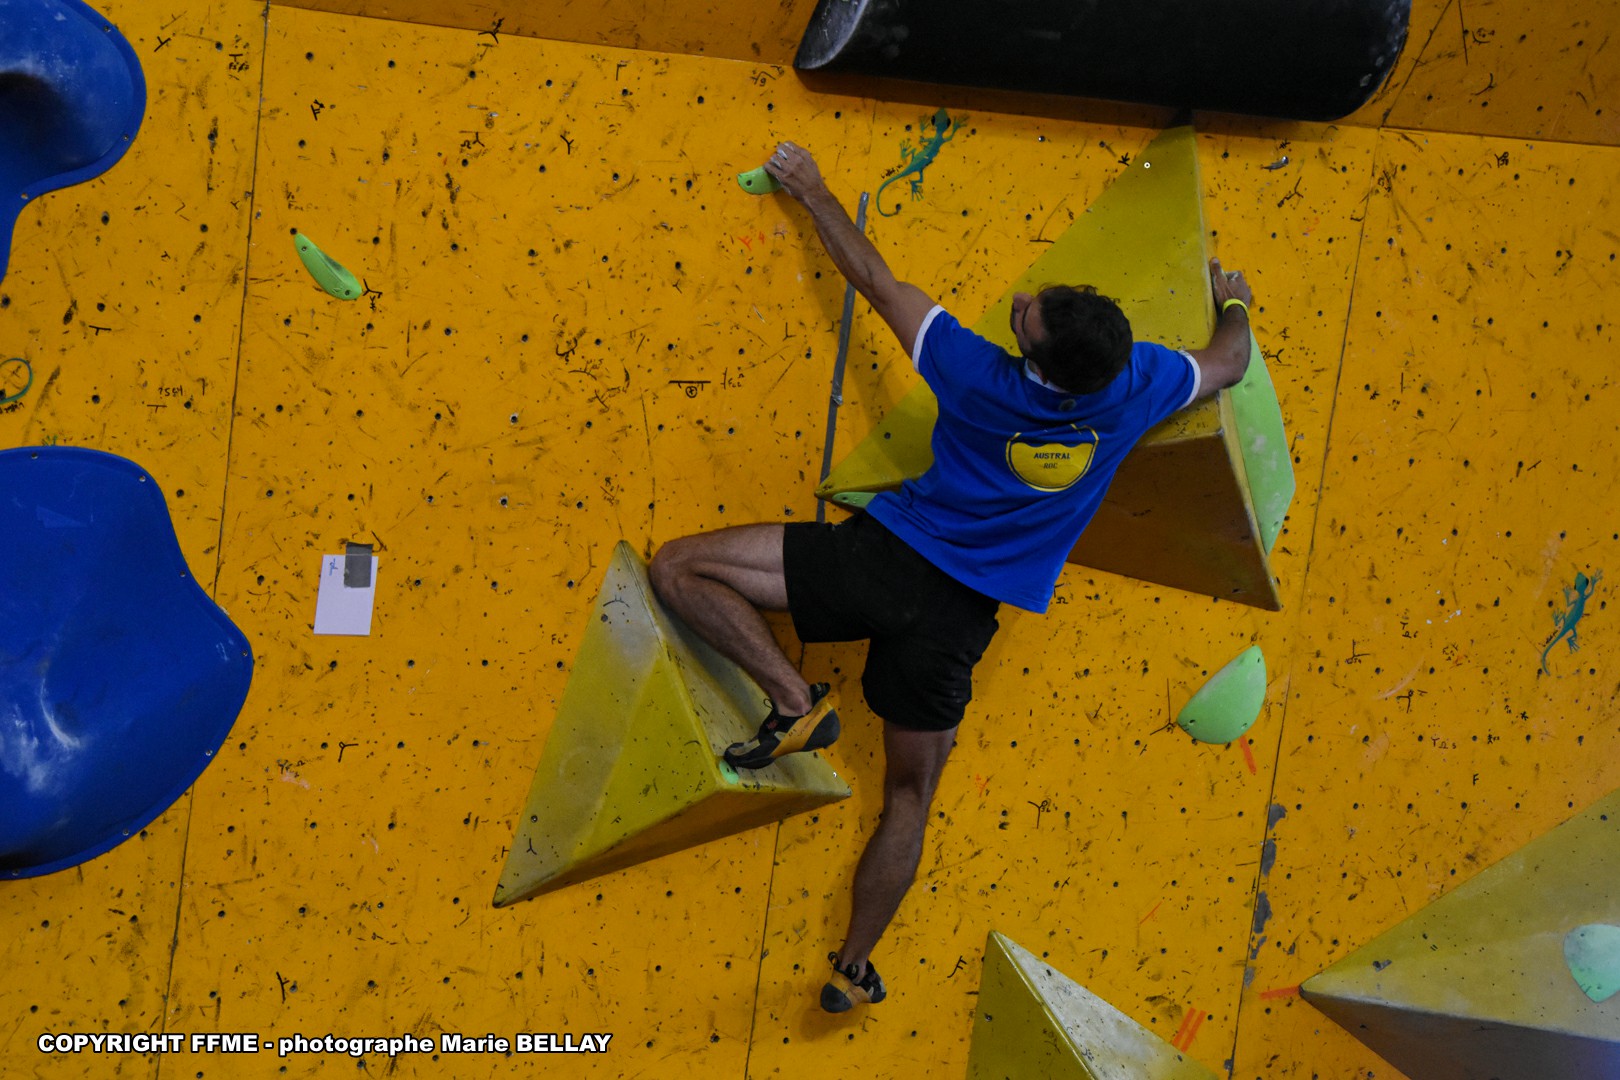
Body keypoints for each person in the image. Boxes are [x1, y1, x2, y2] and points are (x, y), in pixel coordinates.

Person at [648, 141, 1255, 1013]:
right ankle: (853, 966)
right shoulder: (1141, 383)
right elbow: (1229, 361)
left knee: (679, 566)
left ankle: (789, 698)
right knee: (909, 798)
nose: (1021, 303)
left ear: (1034, 357)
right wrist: (1234, 304)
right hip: (959, 623)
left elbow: (874, 278)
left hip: (884, 563)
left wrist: (813, 190)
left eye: (1029, 316)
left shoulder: (974, 373)